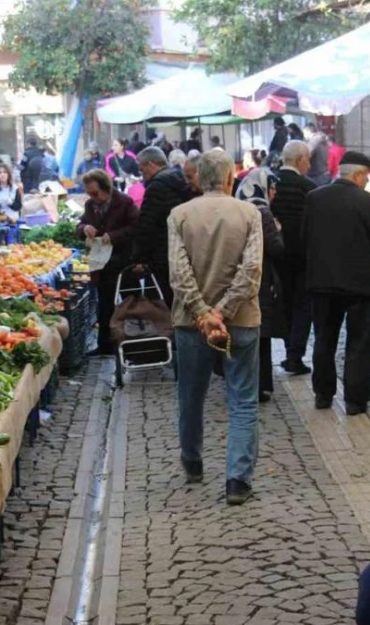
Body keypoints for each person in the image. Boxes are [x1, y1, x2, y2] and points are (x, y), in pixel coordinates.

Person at [167, 149, 263, 505]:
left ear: (198, 177)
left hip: (191, 324)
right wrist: (223, 311)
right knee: (242, 400)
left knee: (191, 396)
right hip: (241, 321)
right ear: (229, 178)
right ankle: (238, 479)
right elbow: (252, 270)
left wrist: (203, 312)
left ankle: (192, 462)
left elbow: (179, 273)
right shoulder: (249, 213)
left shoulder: (179, 215)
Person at [303, 152, 370, 415]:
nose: (366, 182)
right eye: (366, 177)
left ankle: (323, 395)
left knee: (324, 339)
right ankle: (355, 400)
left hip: (322, 282)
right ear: (359, 175)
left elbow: (305, 238)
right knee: (359, 342)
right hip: (359, 284)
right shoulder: (366, 201)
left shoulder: (314, 198)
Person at [236, 167, 286, 403]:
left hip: (237, 278)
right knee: (260, 333)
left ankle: (243, 383)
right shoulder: (262, 212)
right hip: (261, 279)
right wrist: (278, 231)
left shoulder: (237, 207)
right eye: (272, 187)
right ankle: (260, 385)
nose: (274, 193)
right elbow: (276, 249)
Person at [77, 169, 140, 355]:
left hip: (124, 261)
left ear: (106, 189)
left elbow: (136, 228)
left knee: (130, 303)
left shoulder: (125, 203)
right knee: (104, 305)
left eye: (95, 193)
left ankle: (136, 343)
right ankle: (105, 345)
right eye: (89, 194)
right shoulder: (90, 206)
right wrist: (84, 228)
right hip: (102, 263)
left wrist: (113, 236)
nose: (93, 197)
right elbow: (79, 226)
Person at [270, 140, 317, 375]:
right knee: (302, 305)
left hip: (276, 253)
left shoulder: (271, 182)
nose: (309, 164)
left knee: (284, 301)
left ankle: (289, 346)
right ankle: (294, 355)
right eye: (308, 159)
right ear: (300, 160)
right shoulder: (307, 186)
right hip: (302, 255)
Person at [132, 146, 192, 309]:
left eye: (141, 168)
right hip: (185, 249)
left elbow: (147, 224)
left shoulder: (157, 186)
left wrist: (139, 258)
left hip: (162, 253)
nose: (141, 173)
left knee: (163, 302)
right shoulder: (181, 179)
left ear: (151, 165)